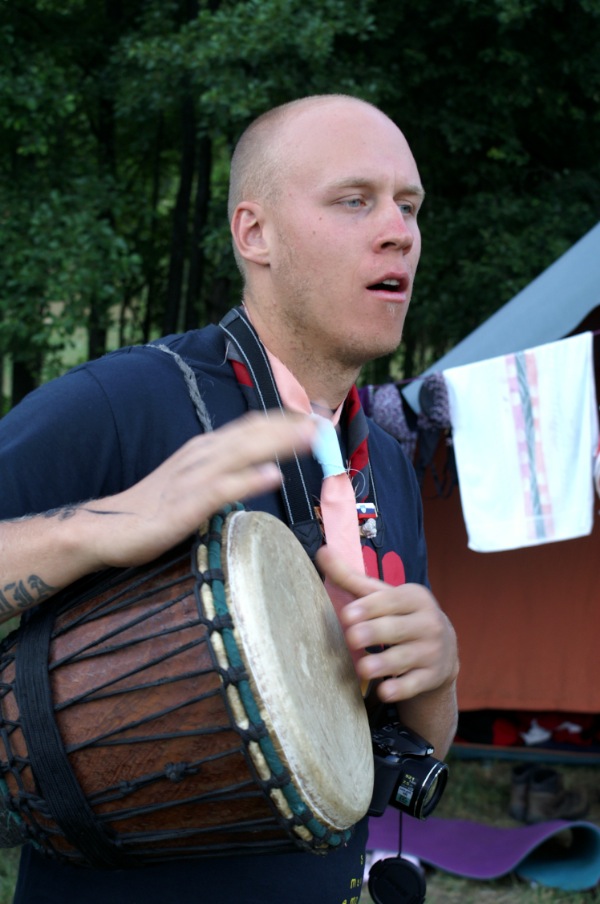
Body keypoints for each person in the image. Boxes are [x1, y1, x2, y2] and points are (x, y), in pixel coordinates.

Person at [0, 94, 458, 903]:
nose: (399, 231)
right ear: (255, 234)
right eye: (355, 200)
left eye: (409, 206)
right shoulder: (125, 401)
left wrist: (438, 677)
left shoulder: (385, 460)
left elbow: (407, 747)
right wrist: (106, 527)